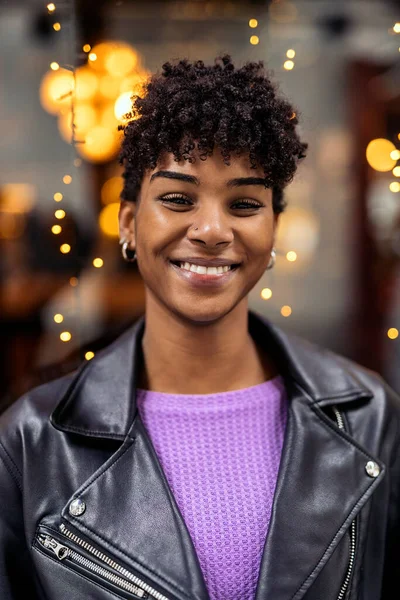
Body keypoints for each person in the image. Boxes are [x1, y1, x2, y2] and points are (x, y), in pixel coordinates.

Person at [0, 55, 399, 600]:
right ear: (129, 224)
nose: (212, 230)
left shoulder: (368, 417)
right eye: (177, 198)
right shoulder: (33, 440)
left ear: (273, 230)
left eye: (243, 203)